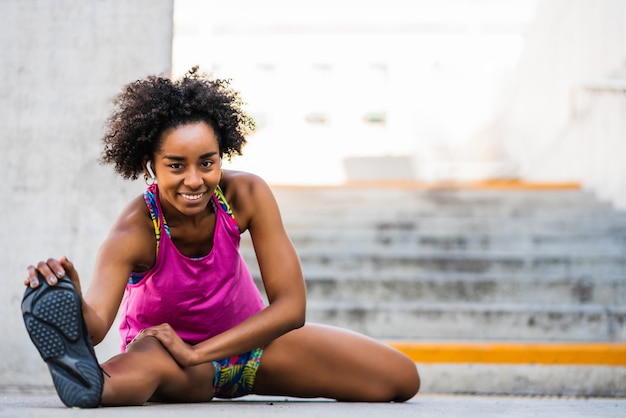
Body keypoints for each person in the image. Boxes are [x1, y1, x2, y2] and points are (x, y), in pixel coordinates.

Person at [21, 67, 420, 408]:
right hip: (176, 363)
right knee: (145, 363)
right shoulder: (135, 231)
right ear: (150, 165)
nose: (194, 180)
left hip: (253, 349)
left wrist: (197, 351)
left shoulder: (246, 195)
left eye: (207, 163)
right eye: (176, 166)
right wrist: (70, 298)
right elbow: (95, 329)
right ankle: (93, 383)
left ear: (222, 156)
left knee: (401, 378)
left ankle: (155, 367)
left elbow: (291, 308)